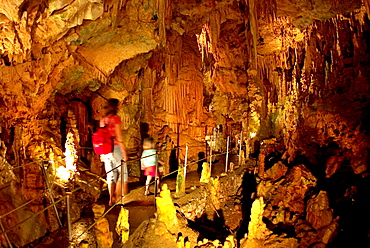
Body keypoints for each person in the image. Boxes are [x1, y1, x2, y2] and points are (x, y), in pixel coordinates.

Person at [99, 98, 128, 206]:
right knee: (122, 173)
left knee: (110, 174)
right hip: (115, 148)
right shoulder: (115, 119)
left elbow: (101, 137)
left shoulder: (102, 120)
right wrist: (124, 152)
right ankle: (119, 196)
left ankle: (111, 199)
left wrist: (102, 153)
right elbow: (118, 137)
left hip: (105, 150)